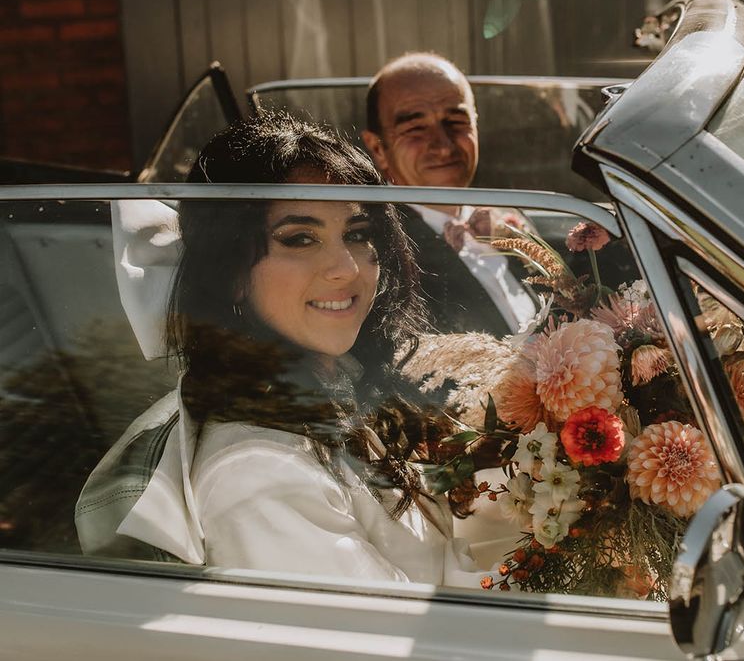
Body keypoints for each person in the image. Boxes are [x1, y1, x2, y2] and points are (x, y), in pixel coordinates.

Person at [75, 112, 480, 585]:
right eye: (300, 238)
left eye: (357, 233)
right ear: (231, 274)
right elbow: (394, 641)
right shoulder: (259, 474)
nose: (346, 268)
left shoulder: (337, 389)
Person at [361, 52, 537, 337]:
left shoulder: (509, 215)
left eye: (456, 121)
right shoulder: (380, 251)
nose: (443, 146)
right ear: (378, 148)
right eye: (416, 128)